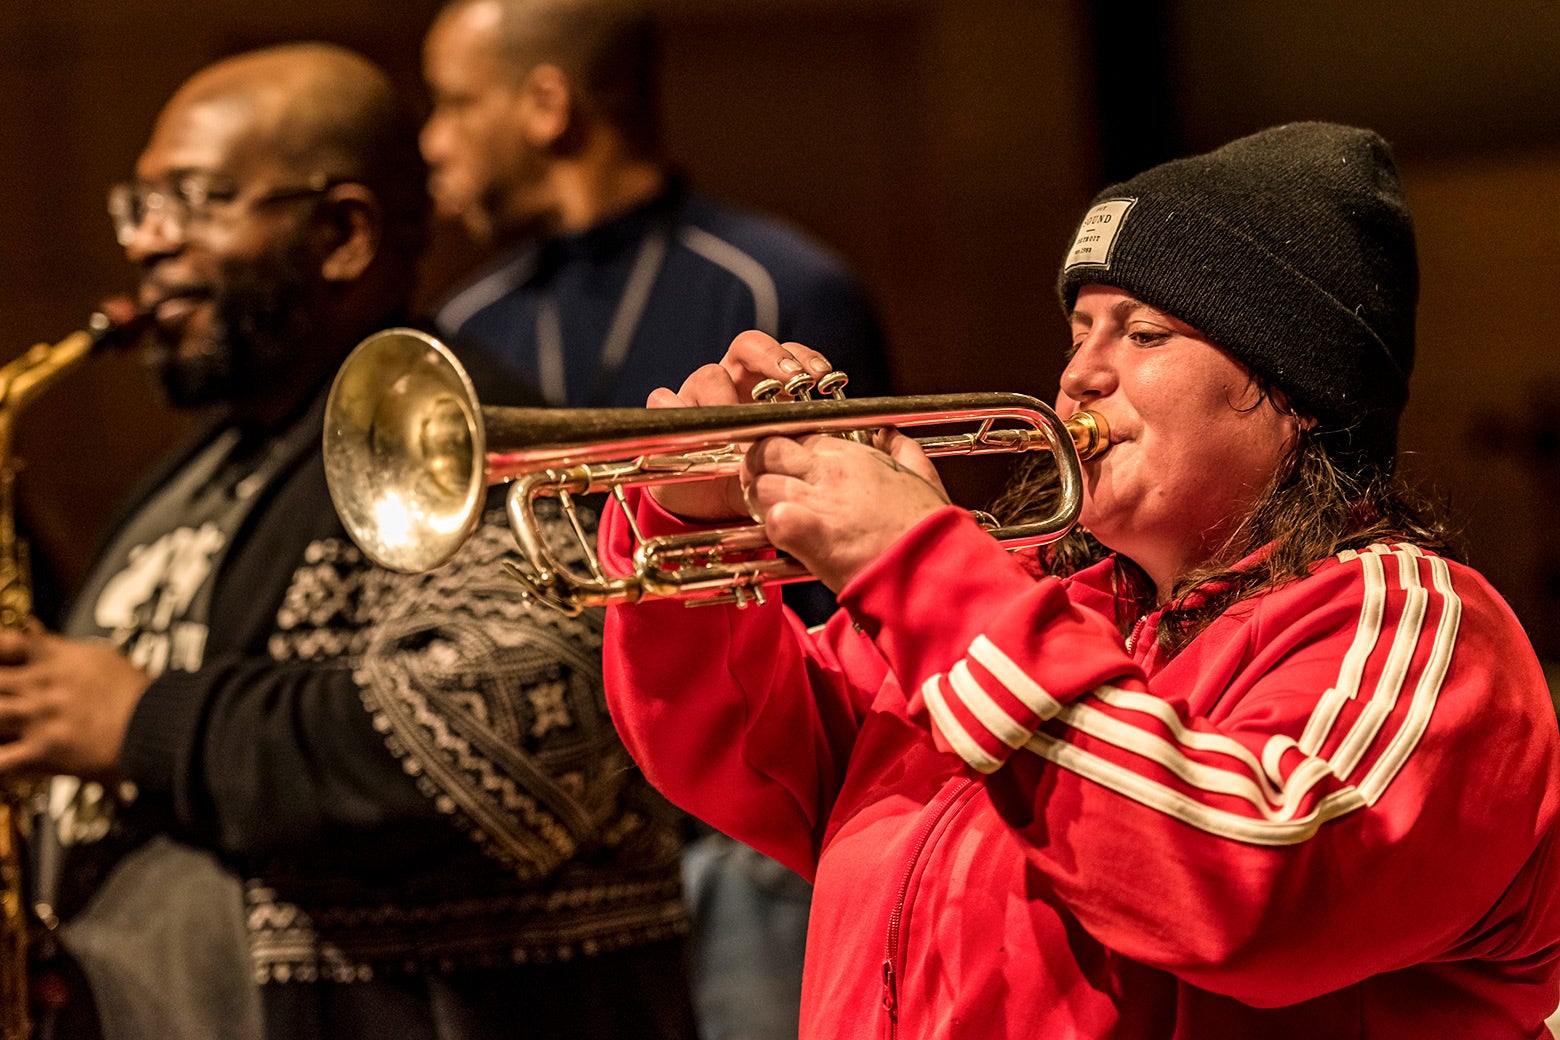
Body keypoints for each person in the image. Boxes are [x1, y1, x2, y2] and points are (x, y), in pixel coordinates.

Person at [596, 121, 1560, 1037]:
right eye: (1080, 330)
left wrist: (919, 566)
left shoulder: (1415, 625)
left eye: (1144, 334)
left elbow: (1244, 882)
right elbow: (737, 750)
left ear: (1297, 390)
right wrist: (693, 520)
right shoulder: (1030, 600)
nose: (1079, 376)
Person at [0, 42, 695, 1040]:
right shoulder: (201, 469)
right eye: (137, 206)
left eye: (195, 199)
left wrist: (144, 719)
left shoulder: (463, 435)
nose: (148, 242)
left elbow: (500, 752)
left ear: (342, 235)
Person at [417, 2, 893, 1034]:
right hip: (549, 856)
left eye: (454, 102)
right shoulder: (461, 325)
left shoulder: (779, 284)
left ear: (547, 104)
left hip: (734, 842)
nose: (432, 140)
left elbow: (844, 593)